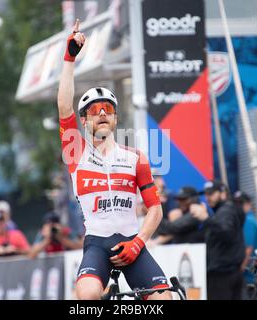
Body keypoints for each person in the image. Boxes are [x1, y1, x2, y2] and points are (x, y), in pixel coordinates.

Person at [57, 19, 171, 300]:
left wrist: (140, 242)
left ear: (116, 117)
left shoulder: (136, 157)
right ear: (84, 121)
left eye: (108, 108)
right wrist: (70, 57)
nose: (103, 113)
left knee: (164, 300)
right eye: (95, 110)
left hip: (133, 242)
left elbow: (155, 209)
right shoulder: (76, 152)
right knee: (87, 296)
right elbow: (63, 106)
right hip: (97, 244)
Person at [190, 180, 245, 300]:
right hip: (226, 273)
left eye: (211, 194)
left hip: (223, 275)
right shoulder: (222, 211)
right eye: (206, 194)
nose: (207, 197)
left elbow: (227, 234)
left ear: (223, 193)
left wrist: (205, 218)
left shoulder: (225, 210)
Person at [233, 191, 257, 298]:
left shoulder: (247, 221)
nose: (238, 207)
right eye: (236, 204)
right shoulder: (244, 220)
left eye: (241, 203)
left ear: (248, 204)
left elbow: (247, 249)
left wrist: (237, 273)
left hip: (250, 279)